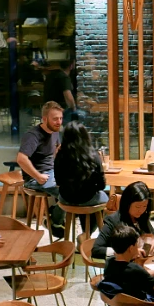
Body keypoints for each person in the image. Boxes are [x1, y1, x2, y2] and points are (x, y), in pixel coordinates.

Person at [17, 101, 66, 238]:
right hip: (35, 178)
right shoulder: (33, 136)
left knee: (77, 186)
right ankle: (55, 222)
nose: (59, 122)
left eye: (60, 118)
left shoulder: (55, 131)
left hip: (52, 172)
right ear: (44, 119)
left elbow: (57, 150)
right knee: (67, 193)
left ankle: (55, 215)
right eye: (55, 119)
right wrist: (38, 176)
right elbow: (21, 159)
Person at [53, 121, 107, 219]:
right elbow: (102, 185)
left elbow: (58, 181)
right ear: (85, 137)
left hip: (66, 199)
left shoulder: (60, 156)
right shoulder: (94, 155)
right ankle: (88, 228)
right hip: (88, 198)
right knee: (104, 197)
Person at [93, 181, 154, 259]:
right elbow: (96, 250)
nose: (141, 210)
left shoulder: (141, 217)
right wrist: (126, 252)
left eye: (145, 206)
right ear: (127, 203)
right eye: (137, 207)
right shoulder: (113, 220)